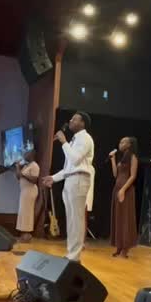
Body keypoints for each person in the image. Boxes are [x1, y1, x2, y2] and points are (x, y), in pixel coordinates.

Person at [43, 112, 94, 263]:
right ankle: (71, 253)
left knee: (76, 219)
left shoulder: (85, 138)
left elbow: (75, 160)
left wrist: (63, 142)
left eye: (74, 119)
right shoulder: (74, 141)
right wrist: (53, 178)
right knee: (71, 219)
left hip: (79, 179)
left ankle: (75, 256)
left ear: (82, 123)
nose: (70, 120)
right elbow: (68, 168)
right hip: (71, 179)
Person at [109, 137, 138, 258]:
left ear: (129, 144)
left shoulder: (133, 157)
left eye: (123, 142)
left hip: (126, 190)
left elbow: (133, 176)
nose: (120, 144)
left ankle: (126, 248)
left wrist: (123, 189)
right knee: (118, 217)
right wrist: (113, 160)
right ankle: (119, 246)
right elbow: (115, 174)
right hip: (117, 188)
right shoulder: (122, 158)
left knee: (126, 218)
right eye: (120, 142)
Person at [14, 150, 40, 243]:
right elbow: (18, 176)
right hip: (24, 191)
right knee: (23, 212)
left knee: (27, 212)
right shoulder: (26, 166)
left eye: (26, 153)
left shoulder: (34, 165)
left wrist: (23, 175)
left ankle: (27, 234)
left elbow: (34, 180)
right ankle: (23, 234)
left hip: (30, 191)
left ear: (32, 155)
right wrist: (18, 167)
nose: (24, 155)